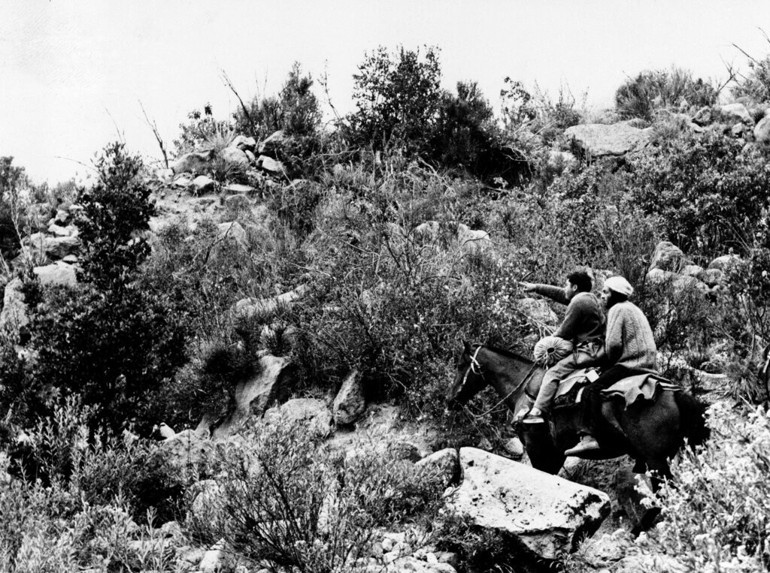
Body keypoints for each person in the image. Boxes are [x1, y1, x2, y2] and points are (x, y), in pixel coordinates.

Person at [564, 275, 657, 456]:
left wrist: (607, 362)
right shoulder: (634, 309)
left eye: (606, 292)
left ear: (615, 294)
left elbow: (613, 344)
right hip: (649, 364)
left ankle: (590, 437)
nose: (602, 296)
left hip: (630, 364)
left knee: (591, 389)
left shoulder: (617, 310)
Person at [519, 270, 605, 424]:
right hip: (599, 348)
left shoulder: (578, 303)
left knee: (553, 373)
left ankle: (538, 410)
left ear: (574, 287)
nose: (564, 288)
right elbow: (561, 294)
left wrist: (546, 343)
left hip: (588, 352)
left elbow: (564, 332)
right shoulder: (589, 299)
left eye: (566, 285)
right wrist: (536, 287)